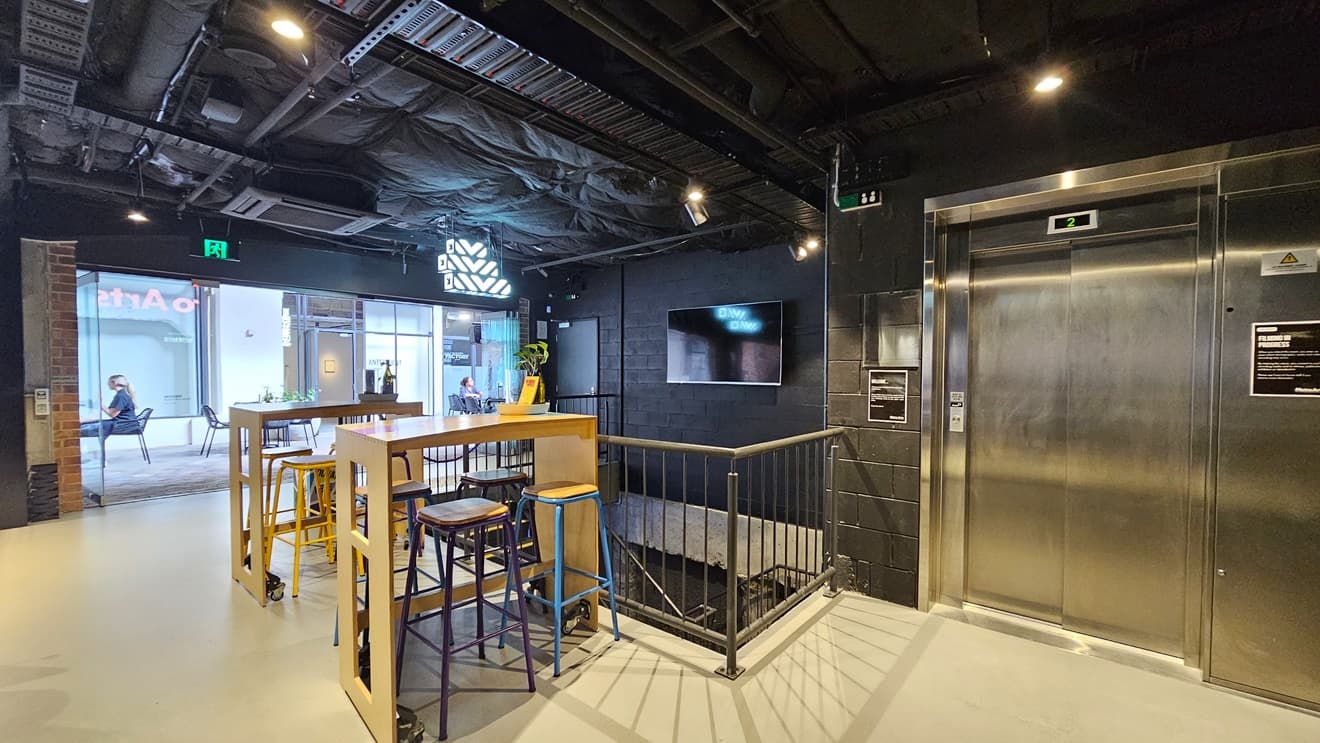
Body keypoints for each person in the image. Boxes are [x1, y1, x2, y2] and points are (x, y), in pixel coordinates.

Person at [79, 375, 142, 457]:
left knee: (84, 430)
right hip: (119, 423)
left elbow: (112, 414)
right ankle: (97, 457)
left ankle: (98, 459)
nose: (107, 384)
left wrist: (100, 403)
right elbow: (111, 412)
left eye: (109, 383)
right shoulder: (121, 395)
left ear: (114, 383)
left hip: (121, 425)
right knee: (88, 425)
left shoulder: (121, 396)